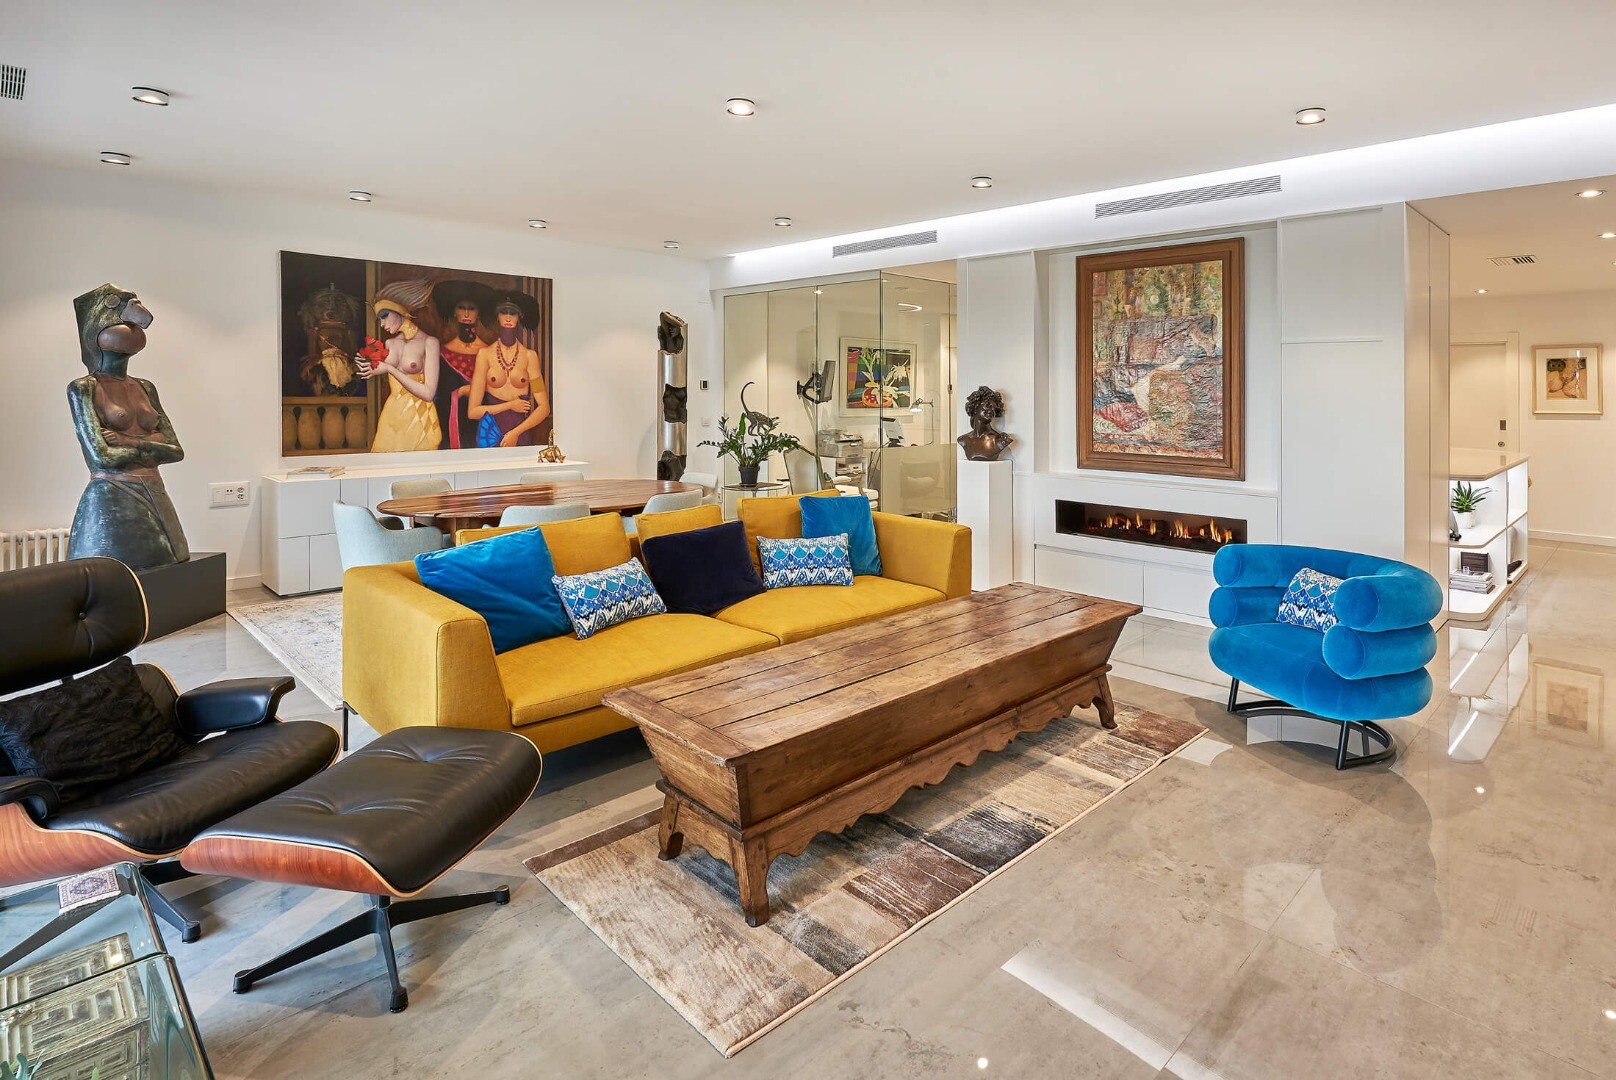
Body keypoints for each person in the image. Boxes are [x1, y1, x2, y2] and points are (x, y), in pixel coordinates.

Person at [66, 283, 190, 569]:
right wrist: (153, 443)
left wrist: (129, 442)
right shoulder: (83, 388)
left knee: (170, 569)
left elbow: (176, 451)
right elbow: (102, 457)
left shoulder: (145, 387)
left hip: (155, 491)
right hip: (112, 497)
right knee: (117, 576)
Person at [358, 279, 442, 451]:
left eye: (384, 316)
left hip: (419, 417)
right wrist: (367, 365)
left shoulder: (429, 342)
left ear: (399, 311)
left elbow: (428, 394)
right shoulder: (390, 344)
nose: (382, 324)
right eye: (379, 320)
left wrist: (389, 368)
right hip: (392, 416)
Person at [467, 291, 549, 448]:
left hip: (521, 433)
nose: (508, 318)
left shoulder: (530, 356)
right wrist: (509, 405)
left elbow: (544, 407)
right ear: (497, 316)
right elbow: (473, 411)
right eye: (504, 312)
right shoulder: (485, 355)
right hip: (492, 433)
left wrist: (515, 433)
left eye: (513, 313)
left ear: (519, 316)